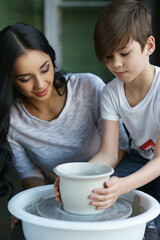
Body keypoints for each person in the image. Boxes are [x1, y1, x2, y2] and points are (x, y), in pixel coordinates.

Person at [0, 22, 128, 239]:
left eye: (45, 69)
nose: (40, 84)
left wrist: (80, 186)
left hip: (108, 187)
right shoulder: (12, 118)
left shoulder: (89, 87)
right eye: (24, 78)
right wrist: (31, 205)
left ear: (52, 59)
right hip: (59, 197)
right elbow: (29, 173)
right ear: (9, 80)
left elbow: (121, 146)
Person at [85, 0, 160, 234]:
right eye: (108, 57)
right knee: (101, 192)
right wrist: (77, 178)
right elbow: (108, 153)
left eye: (124, 53)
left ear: (148, 46)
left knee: (151, 223)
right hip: (141, 157)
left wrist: (125, 185)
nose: (116, 64)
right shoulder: (111, 92)